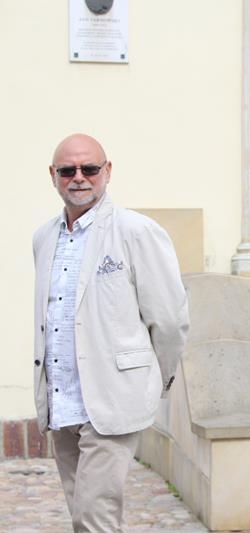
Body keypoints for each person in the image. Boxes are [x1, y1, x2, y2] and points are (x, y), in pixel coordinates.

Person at [32, 133, 189, 532]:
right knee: (82, 515)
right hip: (60, 400)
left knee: (94, 517)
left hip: (111, 399)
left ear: (107, 171)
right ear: (53, 175)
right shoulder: (44, 237)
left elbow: (169, 320)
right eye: (67, 170)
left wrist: (151, 381)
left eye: (89, 168)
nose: (79, 177)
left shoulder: (137, 231)